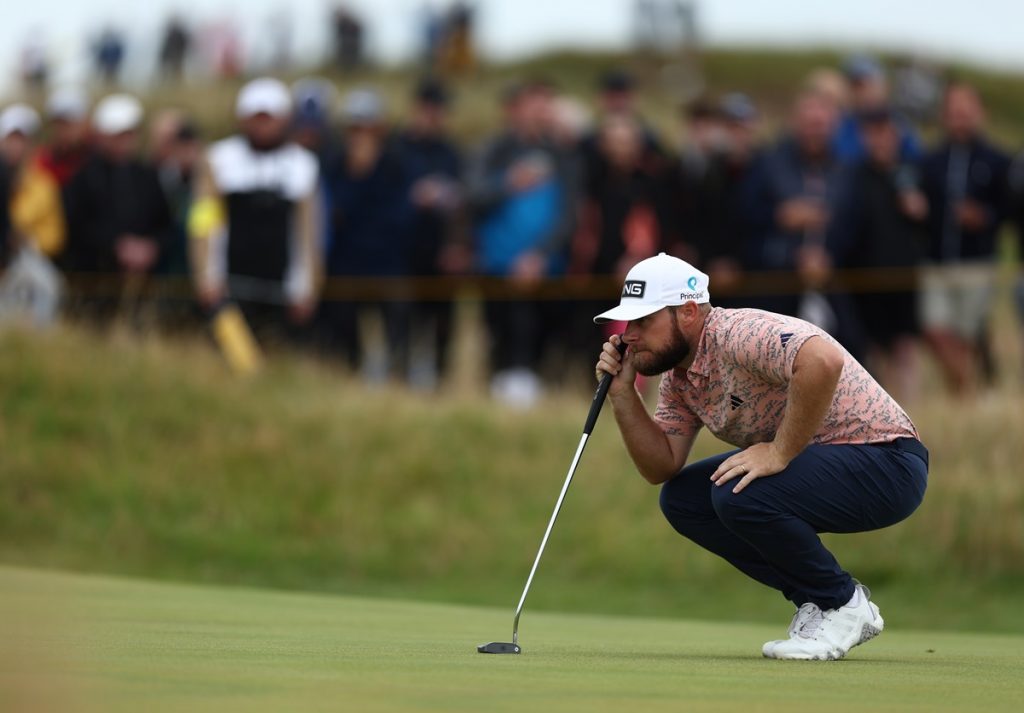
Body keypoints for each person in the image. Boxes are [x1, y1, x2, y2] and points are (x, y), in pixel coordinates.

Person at [593, 252, 928, 661]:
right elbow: (661, 465)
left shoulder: (739, 332)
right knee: (684, 500)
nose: (629, 335)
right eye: (629, 323)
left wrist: (779, 451)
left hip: (887, 462)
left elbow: (823, 361)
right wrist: (623, 395)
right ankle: (822, 600)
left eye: (644, 322)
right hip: (839, 465)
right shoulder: (679, 379)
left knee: (739, 493)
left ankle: (840, 604)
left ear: (689, 311)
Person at [189, 78, 321, 343]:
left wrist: (307, 288)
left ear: (284, 119)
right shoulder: (218, 159)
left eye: (269, 117)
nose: (262, 125)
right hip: (228, 287)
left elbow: (309, 233)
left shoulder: (304, 165)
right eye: (256, 117)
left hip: (282, 291)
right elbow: (203, 221)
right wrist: (205, 275)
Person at [831, 106, 928, 403]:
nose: (881, 140)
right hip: (864, 276)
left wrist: (920, 210)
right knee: (871, 347)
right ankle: (881, 407)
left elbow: (929, 223)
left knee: (905, 345)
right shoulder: (851, 176)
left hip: (903, 274)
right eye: (873, 133)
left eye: (886, 133)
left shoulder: (910, 173)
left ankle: (910, 406)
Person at [918, 83, 1010, 395]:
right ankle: (969, 390)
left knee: (967, 335)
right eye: (953, 110)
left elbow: (1009, 211)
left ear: (978, 113)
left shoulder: (998, 160)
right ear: (945, 116)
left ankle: (962, 400)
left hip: (977, 263)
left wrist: (984, 217)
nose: (959, 116)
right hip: (936, 261)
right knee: (934, 329)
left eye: (965, 109)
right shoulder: (931, 161)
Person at [63, 94, 174, 323]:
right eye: (117, 135)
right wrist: (116, 245)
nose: (124, 141)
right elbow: (76, 227)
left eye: (129, 134)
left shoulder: (148, 177)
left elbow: (166, 224)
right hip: (94, 286)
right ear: (101, 136)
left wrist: (151, 247)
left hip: (143, 285)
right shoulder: (83, 178)